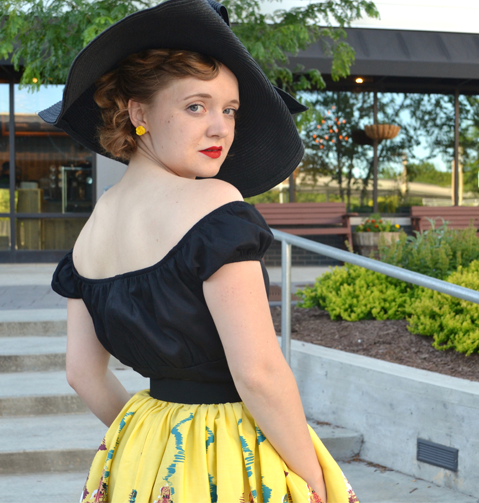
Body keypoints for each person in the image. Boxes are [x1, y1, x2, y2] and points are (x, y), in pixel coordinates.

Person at [43, 1, 358, 502]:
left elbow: (82, 374)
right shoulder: (214, 204)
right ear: (139, 113)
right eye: (196, 106)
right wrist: (317, 482)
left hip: (141, 459)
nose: (220, 128)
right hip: (229, 457)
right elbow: (258, 373)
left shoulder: (93, 227)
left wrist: (149, 436)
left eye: (229, 110)